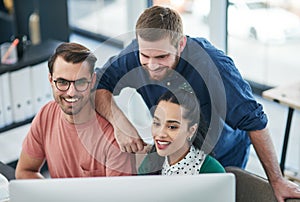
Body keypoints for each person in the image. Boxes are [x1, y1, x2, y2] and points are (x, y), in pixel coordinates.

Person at [94, 5, 300, 201]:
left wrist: (277, 180)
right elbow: (99, 84)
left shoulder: (215, 66)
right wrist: (119, 123)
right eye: (145, 55)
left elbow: (255, 121)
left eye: (162, 56)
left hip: (223, 154)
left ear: (180, 44)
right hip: (174, 149)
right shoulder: (135, 55)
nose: (152, 65)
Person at [15, 42, 136, 179]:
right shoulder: (46, 115)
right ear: (50, 80)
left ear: (92, 81)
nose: (71, 92)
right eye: (62, 82)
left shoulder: (114, 141)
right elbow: (24, 171)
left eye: (80, 82)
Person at [138, 89, 225, 175]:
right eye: (157, 123)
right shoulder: (149, 164)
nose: (161, 134)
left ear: (191, 131)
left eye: (172, 127)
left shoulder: (211, 170)